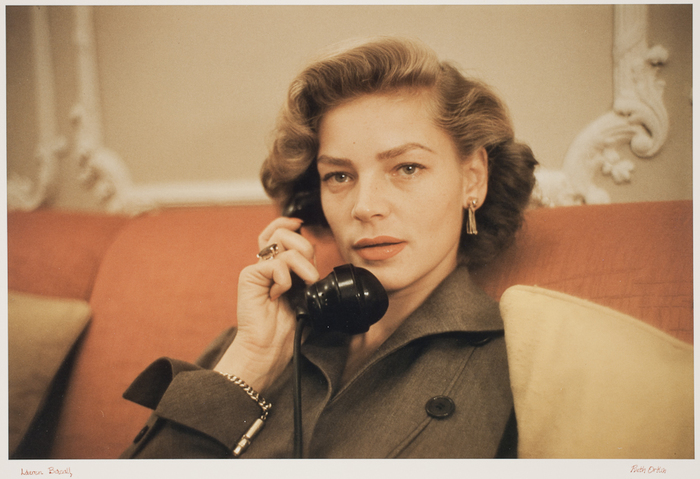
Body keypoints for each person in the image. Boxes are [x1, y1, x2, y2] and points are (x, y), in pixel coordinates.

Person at [120, 36, 537, 459]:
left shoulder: (521, 364)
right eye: (339, 176)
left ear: (473, 179)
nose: (365, 207)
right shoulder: (255, 339)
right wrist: (250, 360)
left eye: (407, 167)